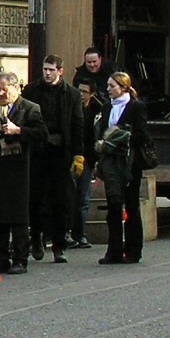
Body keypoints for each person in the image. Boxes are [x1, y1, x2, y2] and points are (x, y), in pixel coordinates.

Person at [0, 71, 47, 274]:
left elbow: (42, 134)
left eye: (4, 89)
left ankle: (20, 259)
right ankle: (1, 257)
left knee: (17, 216)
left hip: (20, 168)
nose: (0, 93)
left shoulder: (30, 108)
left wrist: (19, 131)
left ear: (16, 88)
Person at [22, 55, 82, 263]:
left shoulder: (71, 94)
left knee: (61, 200)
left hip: (60, 152)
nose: (47, 73)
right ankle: (36, 237)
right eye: (45, 69)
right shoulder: (31, 90)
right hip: (37, 149)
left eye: (51, 70)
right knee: (35, 198)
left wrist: (78, 153)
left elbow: (77, 124)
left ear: (60, 71)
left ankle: (59, 245)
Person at [93, 71, 151, 264]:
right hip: (111, 162)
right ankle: (114, 250)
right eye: (108, 86)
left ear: (124, 87)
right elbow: (102, 131)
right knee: (114, 205)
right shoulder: (107, 107)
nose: (108, 89)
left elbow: (141, 135)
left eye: (112, 86)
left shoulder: (135, 107)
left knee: (132, 205)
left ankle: (134, 250)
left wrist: (120, 138)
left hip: (130, 161)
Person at [69, 80, 104, 248]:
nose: (81, 94)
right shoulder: (70, 107)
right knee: (69, 196)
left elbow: (98, 136)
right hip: (71, 157)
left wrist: (97, 159)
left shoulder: (97, 111)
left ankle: (80, 234)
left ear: (92, 93)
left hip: (88, 159)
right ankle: (66, 233)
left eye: (84, 91)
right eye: (79, 90)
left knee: (83, 198)